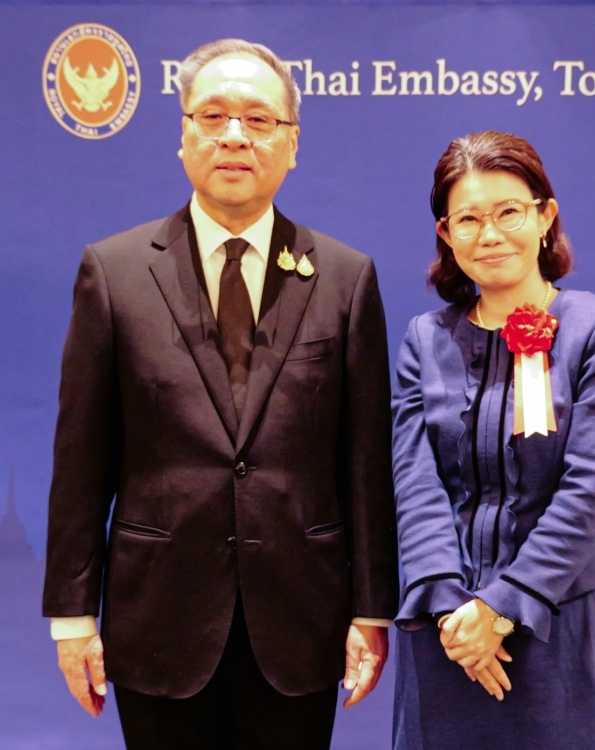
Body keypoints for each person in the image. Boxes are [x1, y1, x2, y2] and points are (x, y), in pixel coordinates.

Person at [42, 39, 398, 750]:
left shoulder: (344, 278)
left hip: (301, 620)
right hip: (157, 619)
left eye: (259, 120)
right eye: (213, 116)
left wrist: (372, 610)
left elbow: (365, 462)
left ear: (292, 143)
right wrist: (72, 617)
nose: (235, 135)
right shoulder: (114, 273)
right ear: (183, 136)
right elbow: (82, 459)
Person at [390, 131, 595, 749]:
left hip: (551, 618)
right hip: (445, 627)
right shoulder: (425, 338)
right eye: (468, 219)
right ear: (446, 234)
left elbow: (589, 490)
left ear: (545, 216)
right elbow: (415, 483)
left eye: (508, 212)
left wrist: (501, 608)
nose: (490, 234)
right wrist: (454, 612)